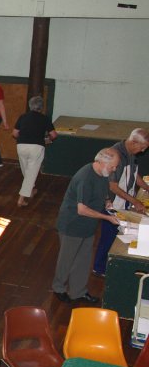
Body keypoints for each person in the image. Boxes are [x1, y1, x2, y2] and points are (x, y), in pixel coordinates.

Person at [52, 148, 121, 304]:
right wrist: (107, 218)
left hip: (88, 225)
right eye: (113, 166)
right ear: (103, 163)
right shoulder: (85, 177)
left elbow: (103, 191)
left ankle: (78, 292)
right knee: (67, 260)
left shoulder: (102, 173)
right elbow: (82, 209)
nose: (114, 169)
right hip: (72, 225)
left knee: (83, 260)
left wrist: (106, 202)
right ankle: (59, 288)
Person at [92, 128, 149, 276]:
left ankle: (110, 265)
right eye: (142, 147)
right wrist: (135, 201)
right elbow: (113, 186)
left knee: (117, 236)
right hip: (113, 204)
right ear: (133, 141)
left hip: (124, 203)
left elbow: (135, 175)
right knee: (108, 237)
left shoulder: (131, 153)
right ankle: (99, 268)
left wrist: (146, 187)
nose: (143, 151)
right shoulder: (116, 155)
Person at [12, 96, 57, 207]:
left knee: (26, 170)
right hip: (36, 147)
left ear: (30, 105)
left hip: (21, 146)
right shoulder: (44, 118)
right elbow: (54, 135)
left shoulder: (23, 117)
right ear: (41, 108)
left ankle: (31, 190)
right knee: (31, 172)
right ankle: (21, 199)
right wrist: (48, 140)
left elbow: (14, 133)